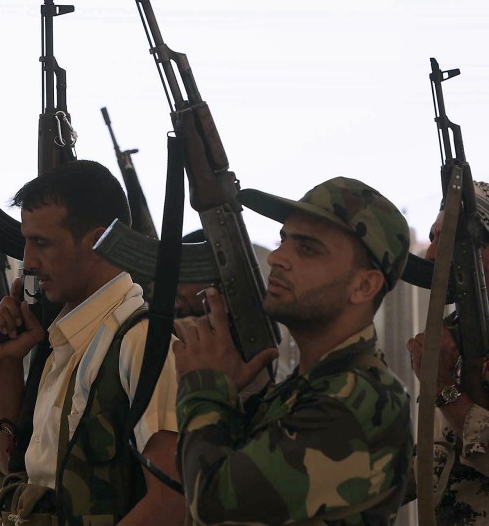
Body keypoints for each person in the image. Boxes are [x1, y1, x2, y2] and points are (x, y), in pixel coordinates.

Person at [174, 177, 414, 524]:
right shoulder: (311, 385)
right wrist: (231, 397)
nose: (277, 258)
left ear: (364, 285)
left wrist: (204, 386)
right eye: (283, 240)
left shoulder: (358, 399)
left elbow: (212, 507)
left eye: (308, 249)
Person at [0, 160, 185, 526]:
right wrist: (5, 366)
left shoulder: (140, 343)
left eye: (42, 243)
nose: (27, 261)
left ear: (97, 242)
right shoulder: (66, 339)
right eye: (26, 242)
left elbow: (170, 501)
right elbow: (19, 468)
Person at [406, 181, 489, 525]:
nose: (429, 254)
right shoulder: (458, 336)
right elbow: (436, 461)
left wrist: (444, 392)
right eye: (432, 236)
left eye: (447, 239)